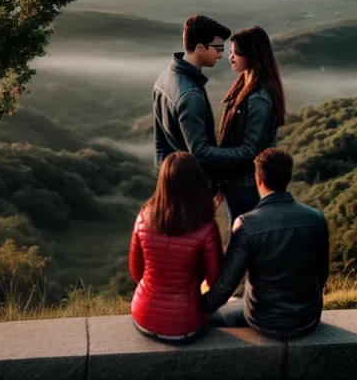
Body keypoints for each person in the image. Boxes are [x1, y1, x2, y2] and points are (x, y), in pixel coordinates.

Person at [203, 148, 330, 338]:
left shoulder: (246, 224)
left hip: (264, 320)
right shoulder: (316, 218)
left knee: (215, 316)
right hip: (308, 317)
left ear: (259, 180)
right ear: (288, 177)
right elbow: (322, 273)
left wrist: (198, 307)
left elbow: (226, 284)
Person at [129, 152, 223, 342]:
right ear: (198, 183)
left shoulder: (144, 216)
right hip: (185, 325)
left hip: (142, 317)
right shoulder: (206, 227)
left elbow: (136, 271)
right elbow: (216, 281)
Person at [153, 14, 262, 177]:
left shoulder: (164, 78)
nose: (220, 55)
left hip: (173, 181)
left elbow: (160, 147)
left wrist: (167, 183)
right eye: (218, 49)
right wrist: (246, 153)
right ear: (199, 49)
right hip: (192, 185)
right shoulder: (190, 95)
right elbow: (200, 152)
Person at [217, 26, 285, 220]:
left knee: (243, 240)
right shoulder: (243, 88)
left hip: (247, 185)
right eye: (230, 52)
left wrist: (208, 153)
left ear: (251, 55)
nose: (230, 57)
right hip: (238, 183)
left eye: (235, 53)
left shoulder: (259, 99)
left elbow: (250, 151)